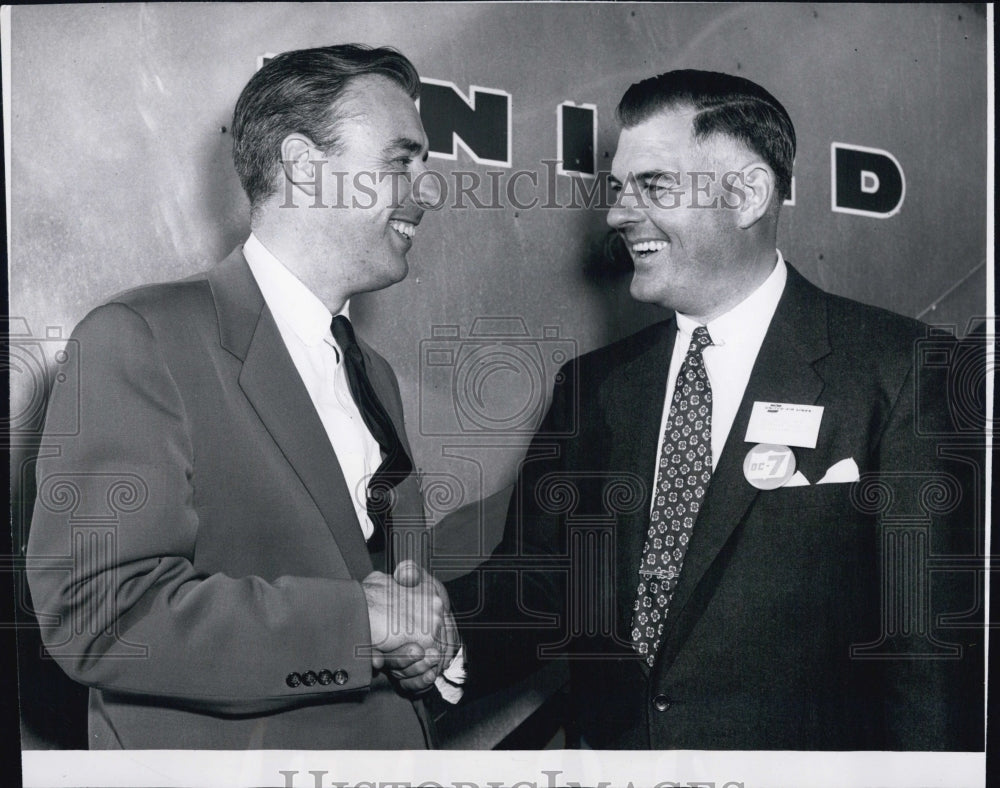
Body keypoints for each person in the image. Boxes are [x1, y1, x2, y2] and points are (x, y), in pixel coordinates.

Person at [448, 69, 983, 750]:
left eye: (654, 185)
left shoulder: (905, 370)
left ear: (748, 193)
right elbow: (539, 588)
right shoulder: (591, 386)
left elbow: (927, 655)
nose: (617, 214)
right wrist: (433, 628)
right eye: (618, 189)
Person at [26, 44, 458, 750]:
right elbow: (96, 612)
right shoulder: (141, 339)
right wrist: (359, 624)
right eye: (400, 161)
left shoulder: (370, 371)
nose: (429, 190)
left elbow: (381, 595)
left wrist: (423, 638)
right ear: (304, 166)